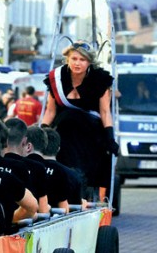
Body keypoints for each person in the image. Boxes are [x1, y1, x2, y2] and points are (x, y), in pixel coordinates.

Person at [42, 40, 118, 200]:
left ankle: (86, 192)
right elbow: (50, 111)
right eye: (74, 59)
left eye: (82, 60)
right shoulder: (57, 78)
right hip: (64, 130)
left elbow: (105, 111)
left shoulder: (100, 79)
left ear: (89, 62)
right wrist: (42, 132)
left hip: (91, 131)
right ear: (67, 59)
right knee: (66, 125)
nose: (77, 63)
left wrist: (110, 137)